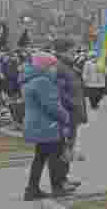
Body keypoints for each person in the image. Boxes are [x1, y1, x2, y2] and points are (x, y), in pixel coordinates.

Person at [22, 51, 72, 200]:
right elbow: (52, 106)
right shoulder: (43, 82)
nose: (55, 69)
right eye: (52, 66)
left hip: (39, 125)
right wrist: (65, 117)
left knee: (40, 157)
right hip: (47, 125)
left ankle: (32, 189)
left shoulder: (33, 80)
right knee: (55, 157)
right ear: (44, 67)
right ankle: (57, 188)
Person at [52, 39, 87, 183]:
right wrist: (73, 105)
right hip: (66, 114)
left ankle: (63, 178)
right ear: (63, 52)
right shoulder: (59, 67)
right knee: (63, 148)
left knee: (68, 147)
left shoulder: (68, 66)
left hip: (73, 113)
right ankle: (60, 181)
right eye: (72, 52)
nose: (74, 54)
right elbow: (60, 92)